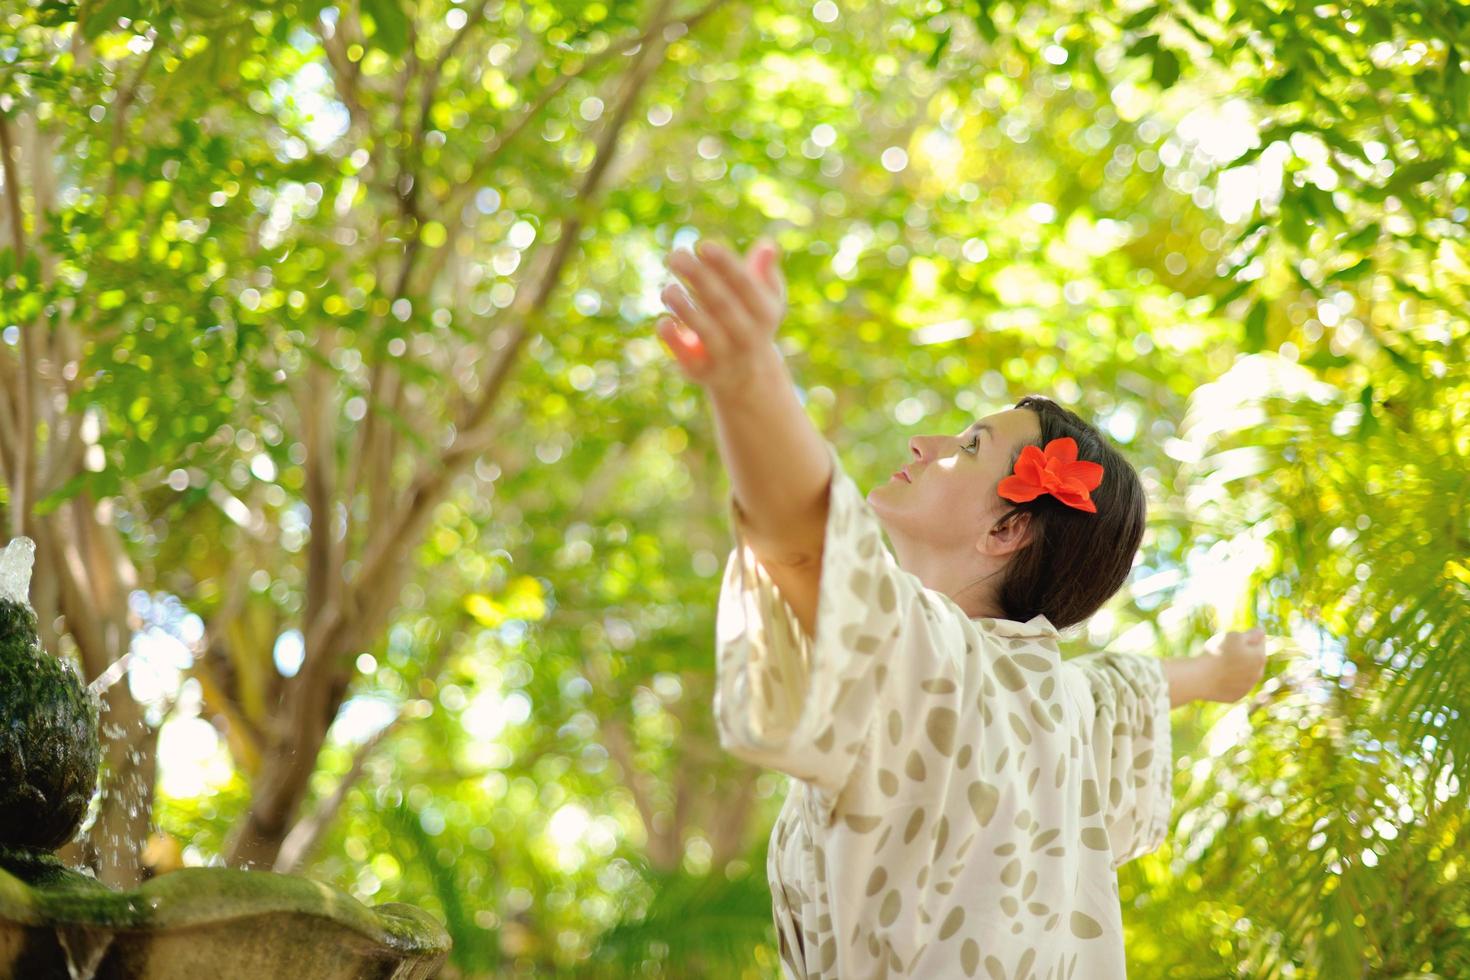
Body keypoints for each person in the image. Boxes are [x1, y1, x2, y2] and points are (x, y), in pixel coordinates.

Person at [655, 236, 1267, 979]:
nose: (923, 443)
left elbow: (804, 547)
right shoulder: (1058, 702)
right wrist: (1215, 671)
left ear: (1008, 529)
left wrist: (750, 378)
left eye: (969, 444)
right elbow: (1132, 682)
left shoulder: (932, 659)